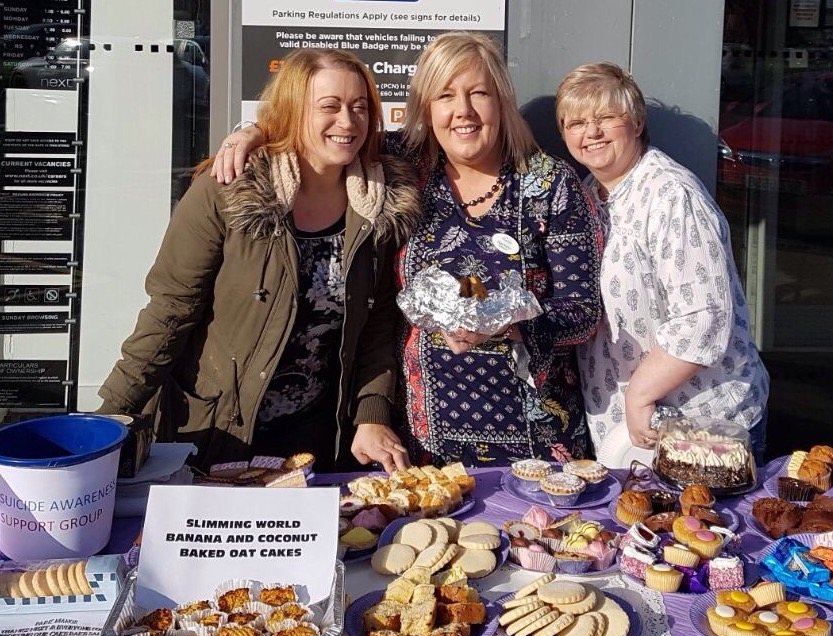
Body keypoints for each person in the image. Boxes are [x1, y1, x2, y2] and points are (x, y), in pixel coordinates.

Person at [213, 33, 603, 467]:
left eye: (479, 94)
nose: (464, 112)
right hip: (417, 445)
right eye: (445, 96)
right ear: (426, 108)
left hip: (536, 442)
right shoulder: (402, 166)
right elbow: (321, 134)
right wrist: (250, 134)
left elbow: (582, 311)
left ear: (502, 101)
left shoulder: (550, 185)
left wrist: (508, 325)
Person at [98, 49, 420, 474]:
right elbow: (170, 312)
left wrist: (371, 414)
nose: (347, 121)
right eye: (329, 107)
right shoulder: (228, 190)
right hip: (218, 432)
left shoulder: (378, 204)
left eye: (360, 107)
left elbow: (376, 326)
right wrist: (108, 418)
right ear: (291, 109)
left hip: (319, 440)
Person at [554, 62, 769, 462]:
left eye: (606, 118)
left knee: (704, 526)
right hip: (623, 428)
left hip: (700, 424)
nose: (591, 132)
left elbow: (702, 317)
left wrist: (640, 393)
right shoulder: (586, 193)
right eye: (576, 122)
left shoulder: (672, 195)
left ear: (636, 123)